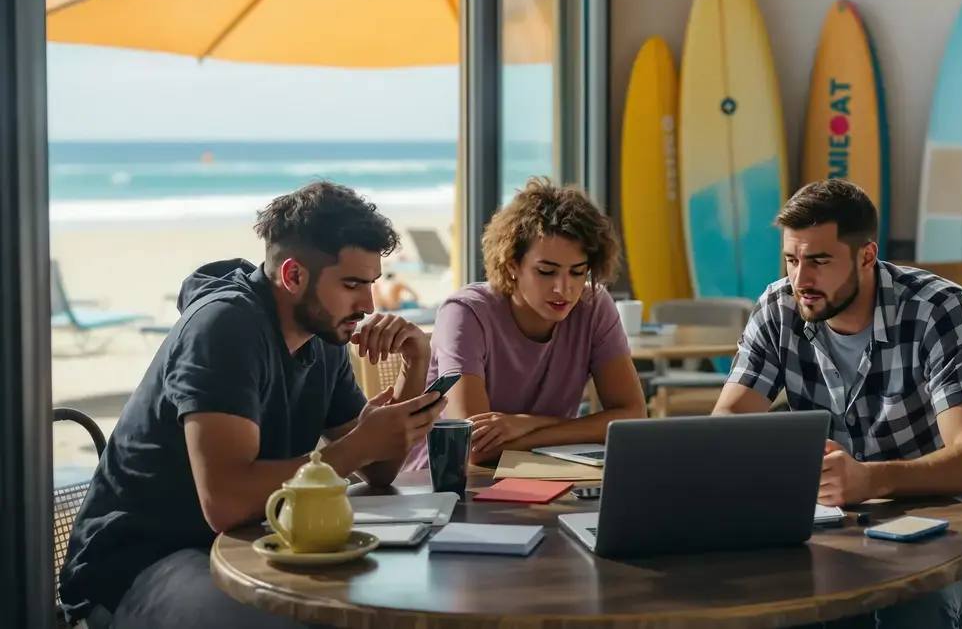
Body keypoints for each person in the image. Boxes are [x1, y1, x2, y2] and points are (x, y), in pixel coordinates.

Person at [59, 180, 444, 629]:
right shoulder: (225, 328)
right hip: (140, 562)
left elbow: (378, 470)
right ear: (293, 275)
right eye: (353, 284)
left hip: (251, 545)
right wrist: (359, 445)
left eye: (373, 284)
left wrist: (413, 367)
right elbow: (225, 502)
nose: (368, 304)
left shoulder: (324, 339)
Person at [712, 180, 962, 629]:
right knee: (754, 592)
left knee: (909, 600)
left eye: (819, 261)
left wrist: (868, 478)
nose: (800, 280)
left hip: (956, 529)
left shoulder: (939, 309)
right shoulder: (778, 308)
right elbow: (728, 425)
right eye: (792, 260)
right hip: (834, 525)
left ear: (866, 256)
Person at [402, 178, 646, 469]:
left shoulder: (593, 306)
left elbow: (632, 416)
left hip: (544, 474)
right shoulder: (466, 313)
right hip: (447, 485)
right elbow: (474, 447)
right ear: (512, 264)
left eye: (578, 272)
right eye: (546, 272)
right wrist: (566, 430)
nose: (563, 288)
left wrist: (524, 424)